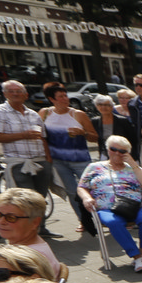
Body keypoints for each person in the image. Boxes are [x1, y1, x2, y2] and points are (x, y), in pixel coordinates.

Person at [78, 135, 142, 272]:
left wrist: (133, 164)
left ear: (128, 153)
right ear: (107, 149)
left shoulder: (133, 168)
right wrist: (86, 198)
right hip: (107, 208)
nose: (117, 153)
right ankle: (136, 256)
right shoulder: (94, 167)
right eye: (113, 149)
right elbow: (82, 186)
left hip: (133, 206)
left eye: (122, 151)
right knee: (114, 222)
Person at [0, 81, 53, 224]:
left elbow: (43, 137)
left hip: (40, 161)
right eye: (11, 91)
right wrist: (23, 135)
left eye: (19, 91)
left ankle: (41, 228)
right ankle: (27, 230)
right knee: (25, 200)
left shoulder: (33, 114)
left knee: (40, 199)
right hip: (18, 163)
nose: (15, 94)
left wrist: (48, 159)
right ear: (4, 94)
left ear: (25, 95)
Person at [38, 82, 98, 226]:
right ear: (51, 99)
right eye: (61, 96)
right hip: (58, 161)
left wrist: (83, 133)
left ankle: (99, 218)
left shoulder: (78, 114)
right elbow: (41, 137)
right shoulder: (44, 113)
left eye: (66, 95)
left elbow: (95, 137)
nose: (65, 99)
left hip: (81, 160)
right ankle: (84, 221)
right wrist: (47, 156)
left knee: (91, 190)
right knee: (72, 192)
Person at [89, 94, 136, 163]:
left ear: (112, 107)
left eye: (107, 105)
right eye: (100, 105)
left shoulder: (122, 121)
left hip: (122, 154)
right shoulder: (95, 121)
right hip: (105, 155)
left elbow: (133, 139)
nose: (103, 107)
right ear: (96, 107)